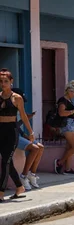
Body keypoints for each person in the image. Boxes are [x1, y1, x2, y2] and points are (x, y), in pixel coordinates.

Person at [0, 69, 34, 201]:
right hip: (0, 130)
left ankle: (1, 193)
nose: (3, 84)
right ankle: (19, 187)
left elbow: (24, 117)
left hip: (11, 131)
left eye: (6, 81)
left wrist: (30, 132)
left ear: (11, 82)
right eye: (1, 81)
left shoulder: (16, 98)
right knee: (7, 162)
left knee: (5, 163)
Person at [12, 88, 43, 190]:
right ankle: (23, 176)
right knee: (35, 148)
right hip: (11, 136)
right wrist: (24, 120)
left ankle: (32, 174)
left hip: (18, 134)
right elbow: (11, 126)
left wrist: (25, 134)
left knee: (40, 147)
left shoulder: (17, 108)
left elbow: (16, 126)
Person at [55, 80, 74, 175]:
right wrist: (73, 111)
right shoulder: (63, 100)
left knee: (69, 147)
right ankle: (59, 162)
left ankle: (67, 168)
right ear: (68, 90)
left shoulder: (69, 101)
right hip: (68, 125)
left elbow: (69, 112)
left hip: (73, 124)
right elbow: (61, 113)